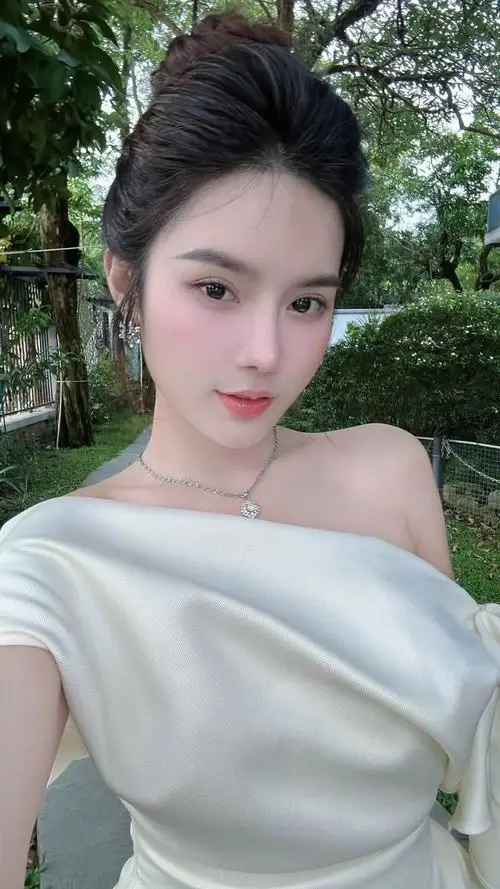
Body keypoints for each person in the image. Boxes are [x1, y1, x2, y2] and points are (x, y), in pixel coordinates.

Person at [0, 11, 499, 889]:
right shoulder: (49, 567)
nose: (266, 351)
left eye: (307, 303)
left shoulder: (390, 471)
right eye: (216, 287)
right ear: (125, 278)